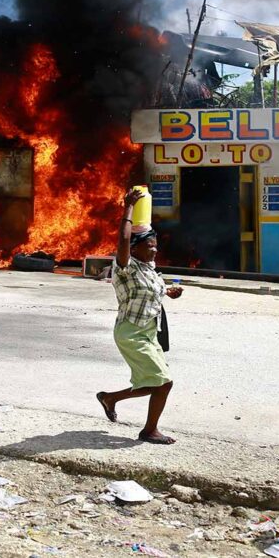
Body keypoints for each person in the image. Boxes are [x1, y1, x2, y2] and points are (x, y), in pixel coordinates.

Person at [95, 188, 182, 444]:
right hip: (131, 333)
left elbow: (152, 290)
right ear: (135, 248)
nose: (155, 251)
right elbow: (123, 242)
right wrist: (128, 208)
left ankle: (110, 398)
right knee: (163, 383)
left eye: (156, 246)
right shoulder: (126, 267)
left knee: (156, 383)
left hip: (149, 332)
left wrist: (169, 291)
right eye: (149, 246)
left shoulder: (148, 268)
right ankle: (149, 431)